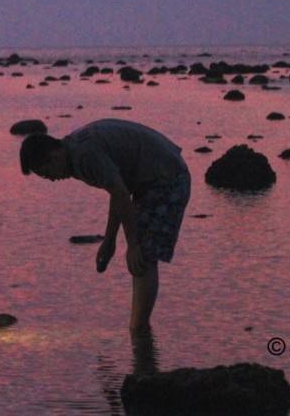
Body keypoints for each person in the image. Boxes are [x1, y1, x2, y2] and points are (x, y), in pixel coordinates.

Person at [19, 119, 190, 333]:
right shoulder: (75, 151)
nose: (51, 180)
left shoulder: (84, 156)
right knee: (141, 252)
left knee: (143, 255)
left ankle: (139, 328)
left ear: (53, 157)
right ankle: (138, 328)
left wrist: (133, 243)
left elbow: (119, 192)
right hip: (148, 179)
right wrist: (110, 241)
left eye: (46, 174)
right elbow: (118, 191)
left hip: (167, 177)